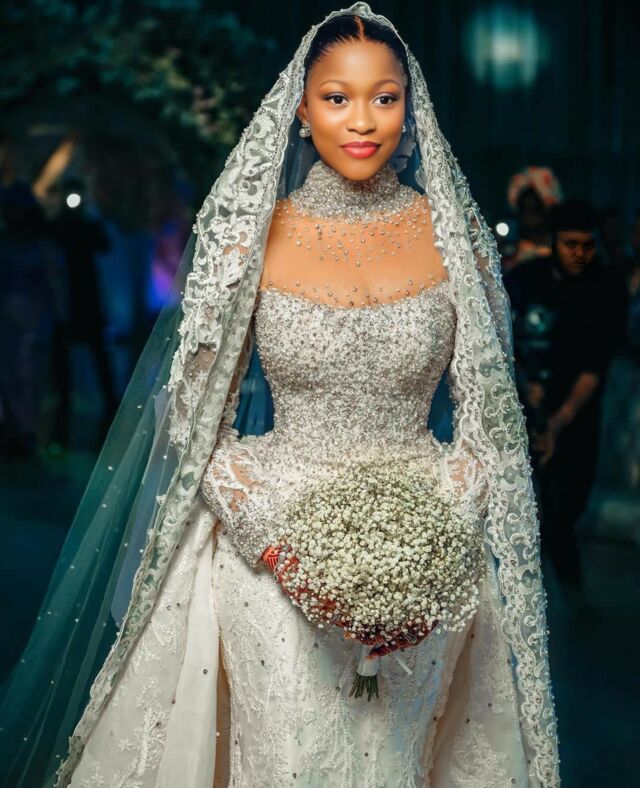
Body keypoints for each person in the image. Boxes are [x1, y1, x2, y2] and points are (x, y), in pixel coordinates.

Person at [0, 5, 560, 787]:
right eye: (337, 98)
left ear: (410, 107)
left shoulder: (455, 242)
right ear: (301, 108)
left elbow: (490, 420)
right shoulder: (250, 238)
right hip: (271, 554)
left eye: (384, 98)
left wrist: (434, 549)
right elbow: (193, 412)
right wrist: (278, 546)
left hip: (431, 560)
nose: (361, 120)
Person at [505, 199, 628, 590]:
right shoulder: (526, 278)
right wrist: (523, 386)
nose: (579, 254)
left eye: (586, 245)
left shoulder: (607, 286)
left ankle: (572, 601)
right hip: (523, 407)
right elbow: (503, 340)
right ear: (554, 241)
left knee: (563, 515)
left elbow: (595, 366)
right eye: (570, 244)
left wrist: (559, 421)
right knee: (525, 516)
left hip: (577, 414)